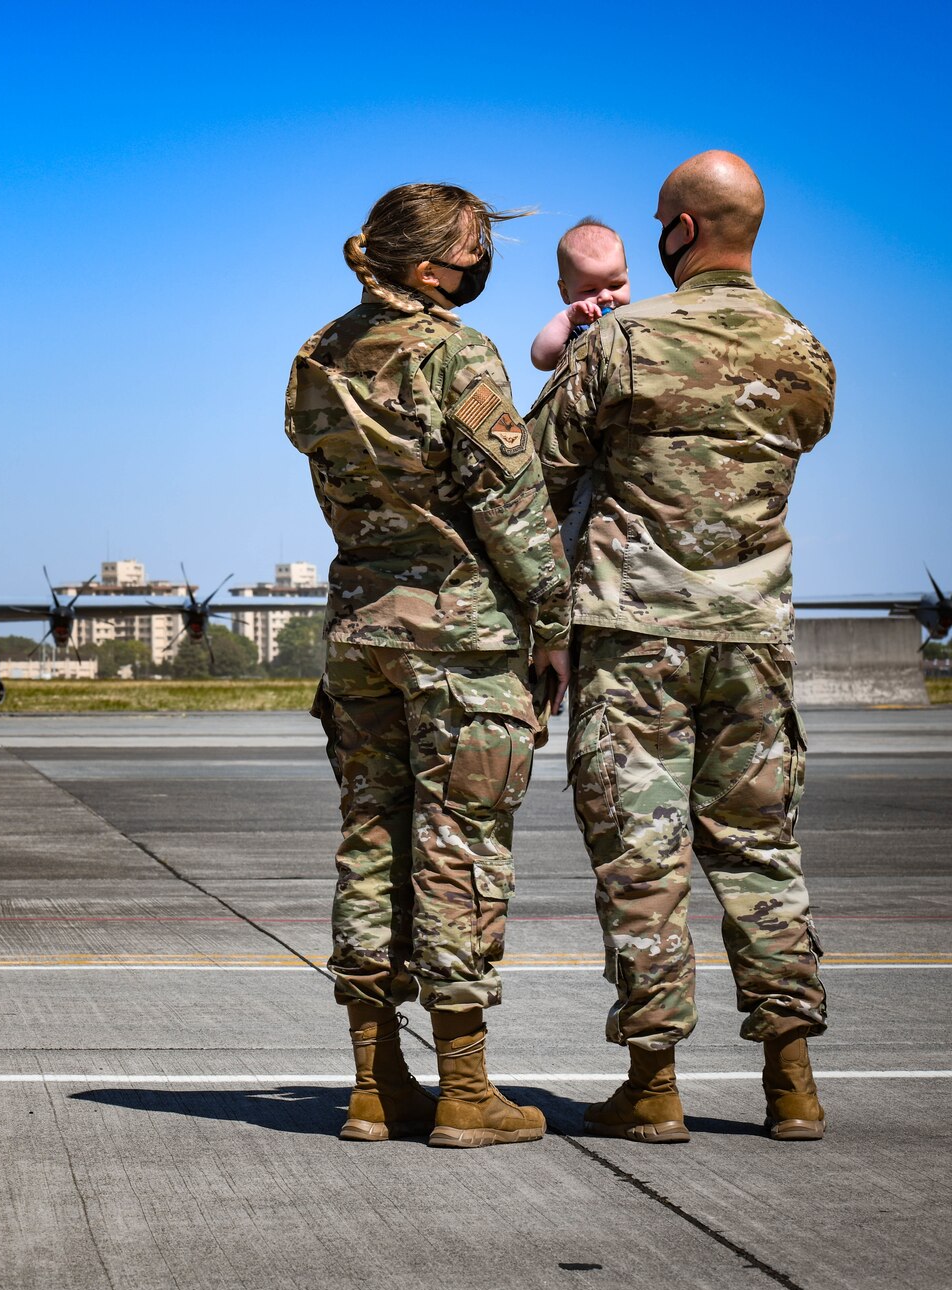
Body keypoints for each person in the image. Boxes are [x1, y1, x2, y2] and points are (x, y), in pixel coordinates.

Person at [527, 150, 836, 1143]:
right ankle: (790, 1080)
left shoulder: (622, 342)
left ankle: (653, 1085)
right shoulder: (804, 350)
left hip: (634, 641)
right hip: (750, 638)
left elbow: (536, 467)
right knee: (760, 851)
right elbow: (801, 431)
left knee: (639, 856)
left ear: (680, 232)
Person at [287, 183, 571, 1149]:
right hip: (458, 637)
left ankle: (373, 1085)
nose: (480, 263)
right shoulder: (458, 354)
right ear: (423, 268)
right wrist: (556, 618)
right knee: (461, 852)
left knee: (371, 841)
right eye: (470, 249)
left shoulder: (320, 353)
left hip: (361, 630)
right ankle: (465, 1088)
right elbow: (513, 504)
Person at [530, 219, 633, 371]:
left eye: (615, 285)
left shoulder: (637, 321)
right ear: (565, 293)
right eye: (590, 290)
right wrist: (567, 319)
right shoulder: (578, 331)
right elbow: (541, 359)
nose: (605, 296)